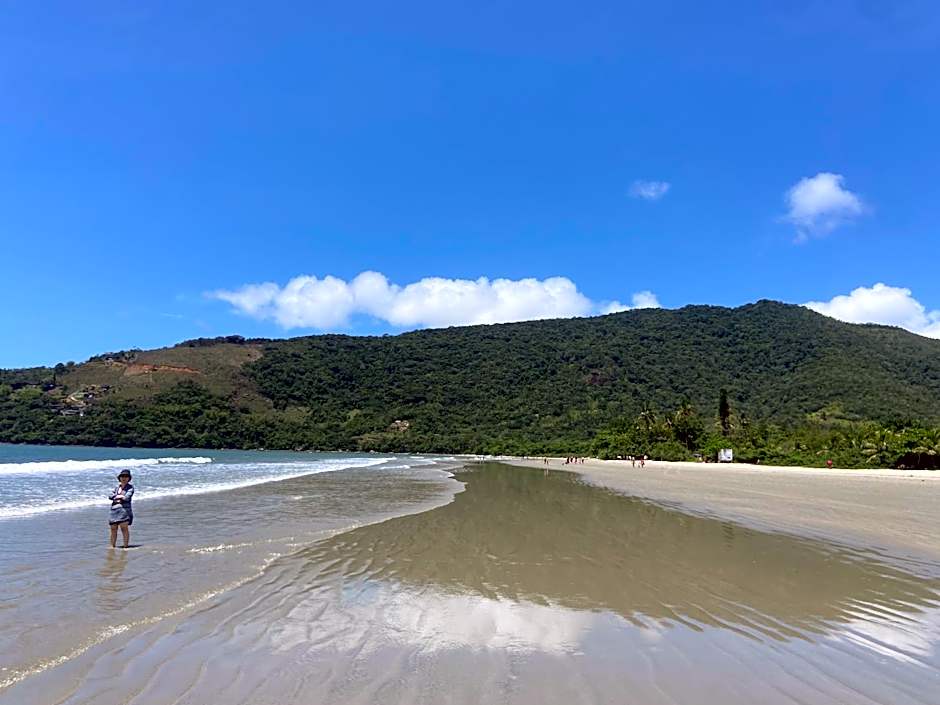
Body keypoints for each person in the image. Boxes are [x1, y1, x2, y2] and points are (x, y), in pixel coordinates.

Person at [109, 470, 135, 549]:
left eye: (126, 476)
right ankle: (112, 546)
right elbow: (110, 496)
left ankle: (125, 547)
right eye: (122, 476)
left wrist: (117, 496)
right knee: (113, 529)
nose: (124, 478)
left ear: (129, 478)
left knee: (124, 528)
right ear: (119, 478)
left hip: (124, 510)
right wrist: (119, 496)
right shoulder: (117, 487)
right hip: (114, 510)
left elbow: (126, 498)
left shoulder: (130, 488)